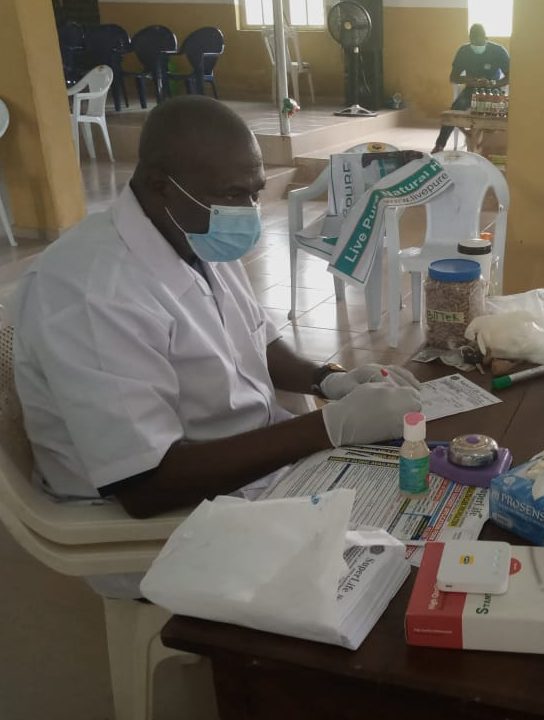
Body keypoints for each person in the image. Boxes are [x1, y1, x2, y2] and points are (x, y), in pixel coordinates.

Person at [13, 96, 421, 520]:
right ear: (159, 184)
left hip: (251, 464)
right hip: (171, 513)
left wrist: (329, 380)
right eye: (232, 194)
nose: (248, 212)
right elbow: (146, 485)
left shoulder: (192, 232)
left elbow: (257, 341)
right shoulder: (92, 293)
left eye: (254, 193)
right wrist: (331, 426)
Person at [431, 23, 510, 154]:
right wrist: (468, 80)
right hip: (471, 90)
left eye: (480, 43)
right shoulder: (464, 51)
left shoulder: (498, 51)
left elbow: (511, 76)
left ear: (486, 38)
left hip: (494, 91)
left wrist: (493, 83)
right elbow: (453, 77)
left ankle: (488, 148)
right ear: (469, 39)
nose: (477, 47)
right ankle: (440, 145)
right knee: (456, 109)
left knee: (498, 115)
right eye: (474, 43)